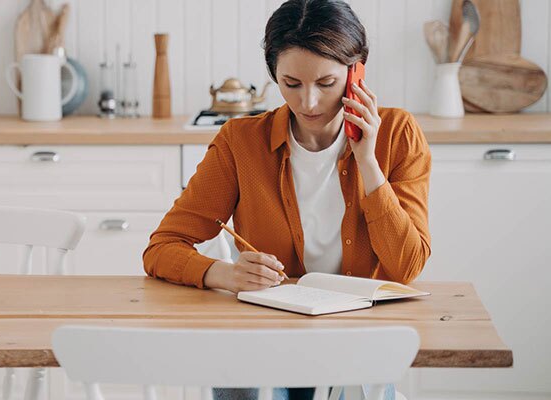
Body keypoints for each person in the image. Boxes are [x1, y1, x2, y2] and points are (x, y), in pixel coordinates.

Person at [143, 0, 431, 399]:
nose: (308, 103)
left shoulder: (398, 133)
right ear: (273, 75)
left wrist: (368, 162)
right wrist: (224, 273)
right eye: (291, 84)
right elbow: (162, 248)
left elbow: (406, 266)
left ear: (356, 72)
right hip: (266, 340)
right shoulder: (241, 142)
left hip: (358, 340)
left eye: (326, 83)